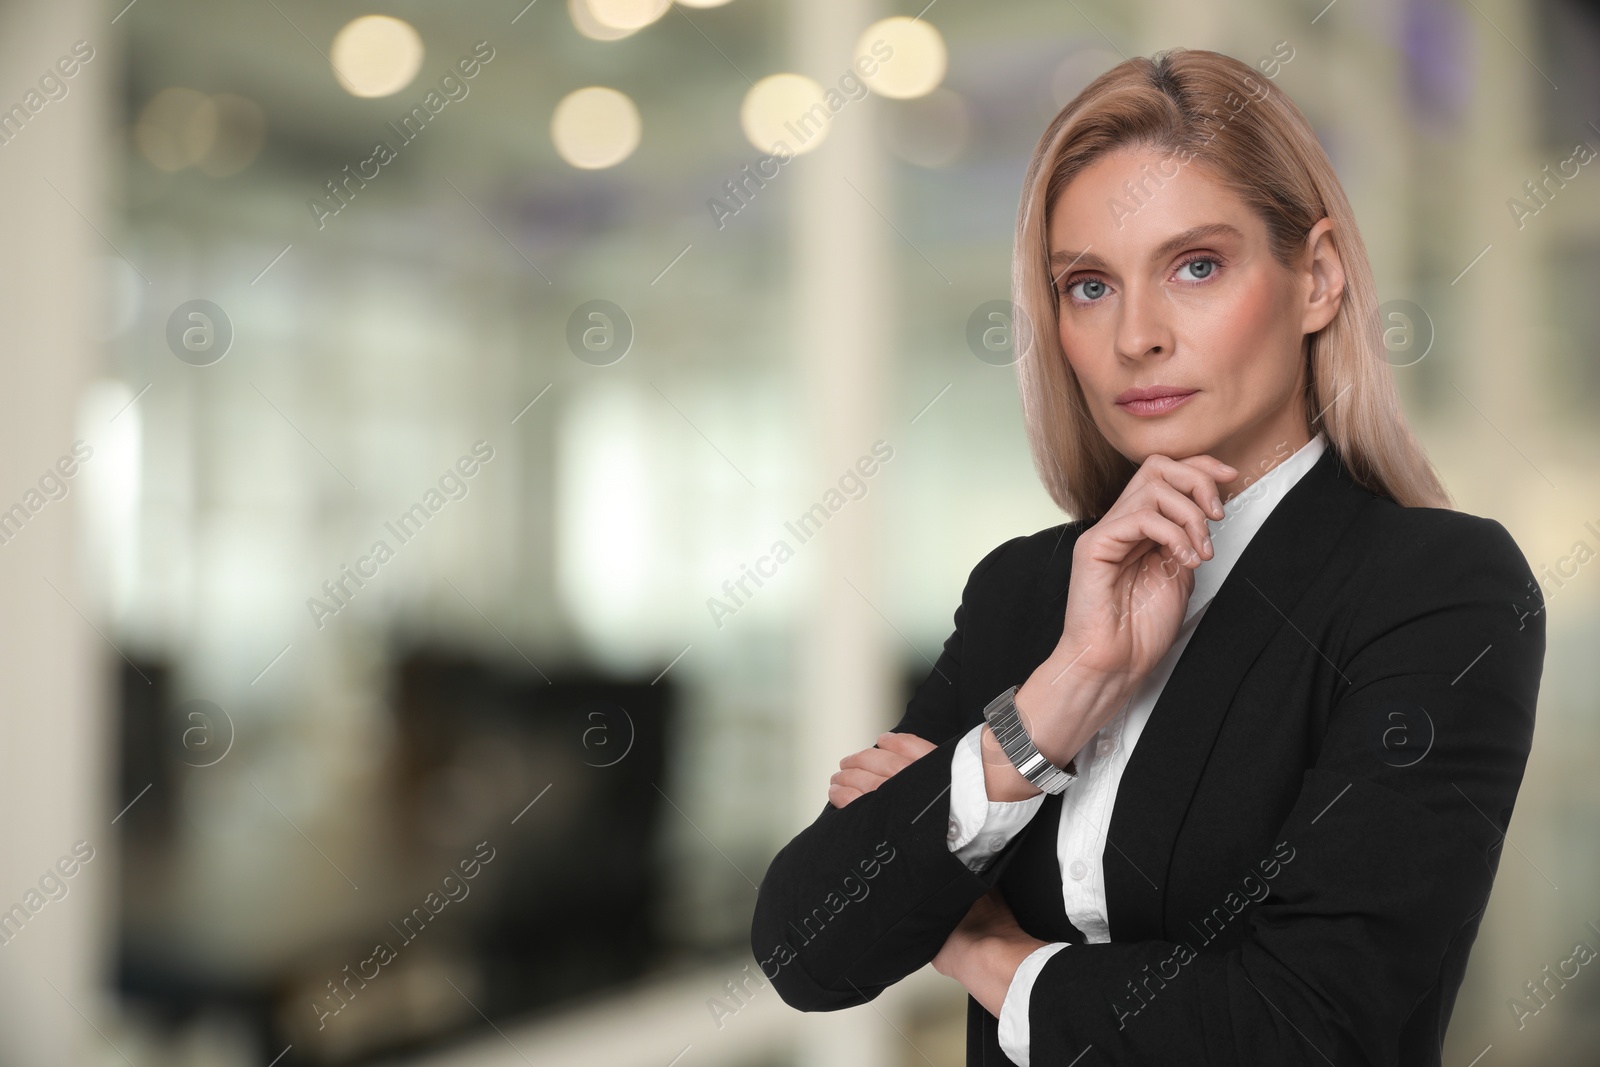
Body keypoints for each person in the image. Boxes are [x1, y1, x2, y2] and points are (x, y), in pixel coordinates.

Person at [749, 47, 1546, 1066]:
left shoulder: (1435, 588)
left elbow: (1309, 1029)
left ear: (1316, 278)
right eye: (1087, 285)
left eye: (1195, 266)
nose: (1135, 336)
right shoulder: (1025, 591)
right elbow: (806, 946)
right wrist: (1049, 707)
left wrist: (995, 954)